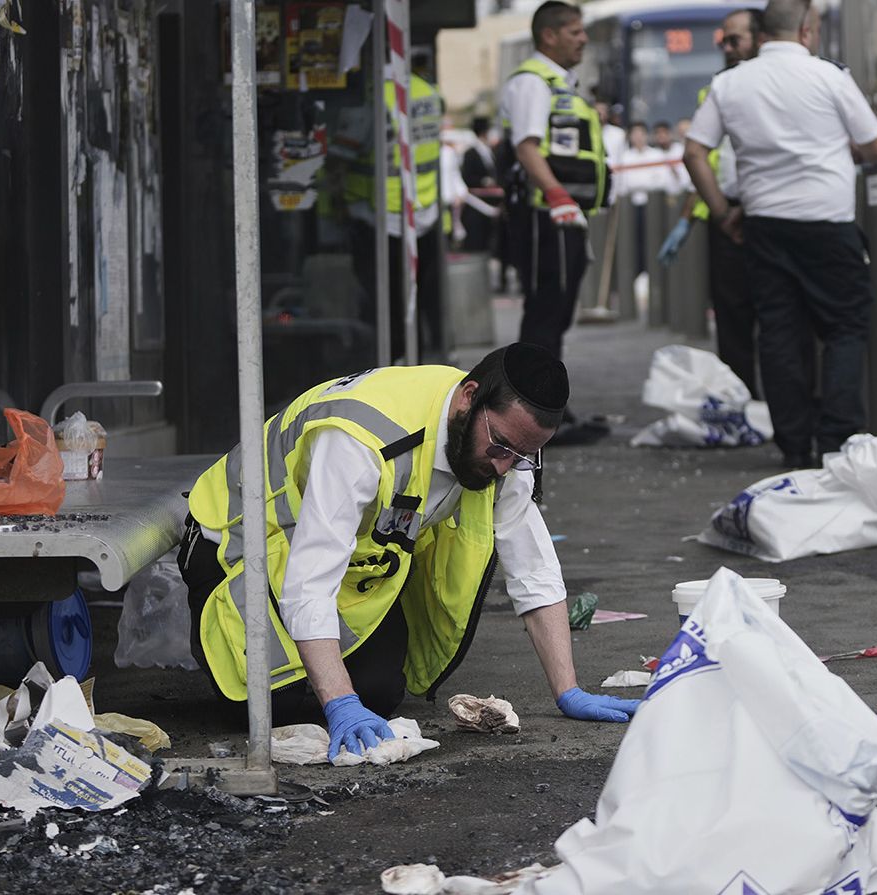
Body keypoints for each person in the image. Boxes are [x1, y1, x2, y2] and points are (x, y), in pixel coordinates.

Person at [179, 343, 641, 760]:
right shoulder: (361, 440)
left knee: (380, 692)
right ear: (469, 397)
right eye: (501, 446)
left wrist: (568, 691)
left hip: (347, 563)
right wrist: (339, 703)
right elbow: (310, 579)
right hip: (238, 544)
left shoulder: (504, 445)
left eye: (523, 456)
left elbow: (532, 565)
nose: (505, 468)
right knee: (271, 702)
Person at [684, 0, 877, 468]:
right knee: (845, 327)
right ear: (807, 30)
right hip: (828, 222)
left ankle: (794, 445)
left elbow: (694, 152)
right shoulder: (829, 76)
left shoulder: (729, 83)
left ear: (762, 34)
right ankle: (835, 440)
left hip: (764, 224)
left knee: (779, 331)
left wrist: (723, 213)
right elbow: (876, 144)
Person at [499, 1, 612, 442]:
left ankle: (547, 411)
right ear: (549, 35)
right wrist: (557, 194)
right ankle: (531, 415)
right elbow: (526, 147)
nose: (583, 39)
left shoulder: (561, 84)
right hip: (544, 214)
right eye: (575, 32)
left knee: (557, 313)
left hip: (562, 214)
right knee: (546, 313)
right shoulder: (533, 82)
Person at [659, 7, 764, 396]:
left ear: (761, 39)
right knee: (733, 317)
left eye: (736, 39)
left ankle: (784, 408)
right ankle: (742, 400)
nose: (727, 47)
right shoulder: (717, 90)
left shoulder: (775, 83)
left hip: (769, 211)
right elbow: (705, 162)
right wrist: (697, 217)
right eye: (724, 40)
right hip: (730, 215)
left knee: (778, 317)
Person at [345, 51, 446, 361]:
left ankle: (391, 360)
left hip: (382, 215)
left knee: (383, 301)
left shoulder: (375, 97)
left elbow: (341, 156)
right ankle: (415, 357)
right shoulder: (427, 92)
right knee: (415, 297)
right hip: (424, 208)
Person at [458, 116, 501, 255]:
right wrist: (483, 181)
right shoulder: (470, 153)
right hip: (477, 204)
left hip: (491, 203)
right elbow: (467, 176)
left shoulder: (490, 151)